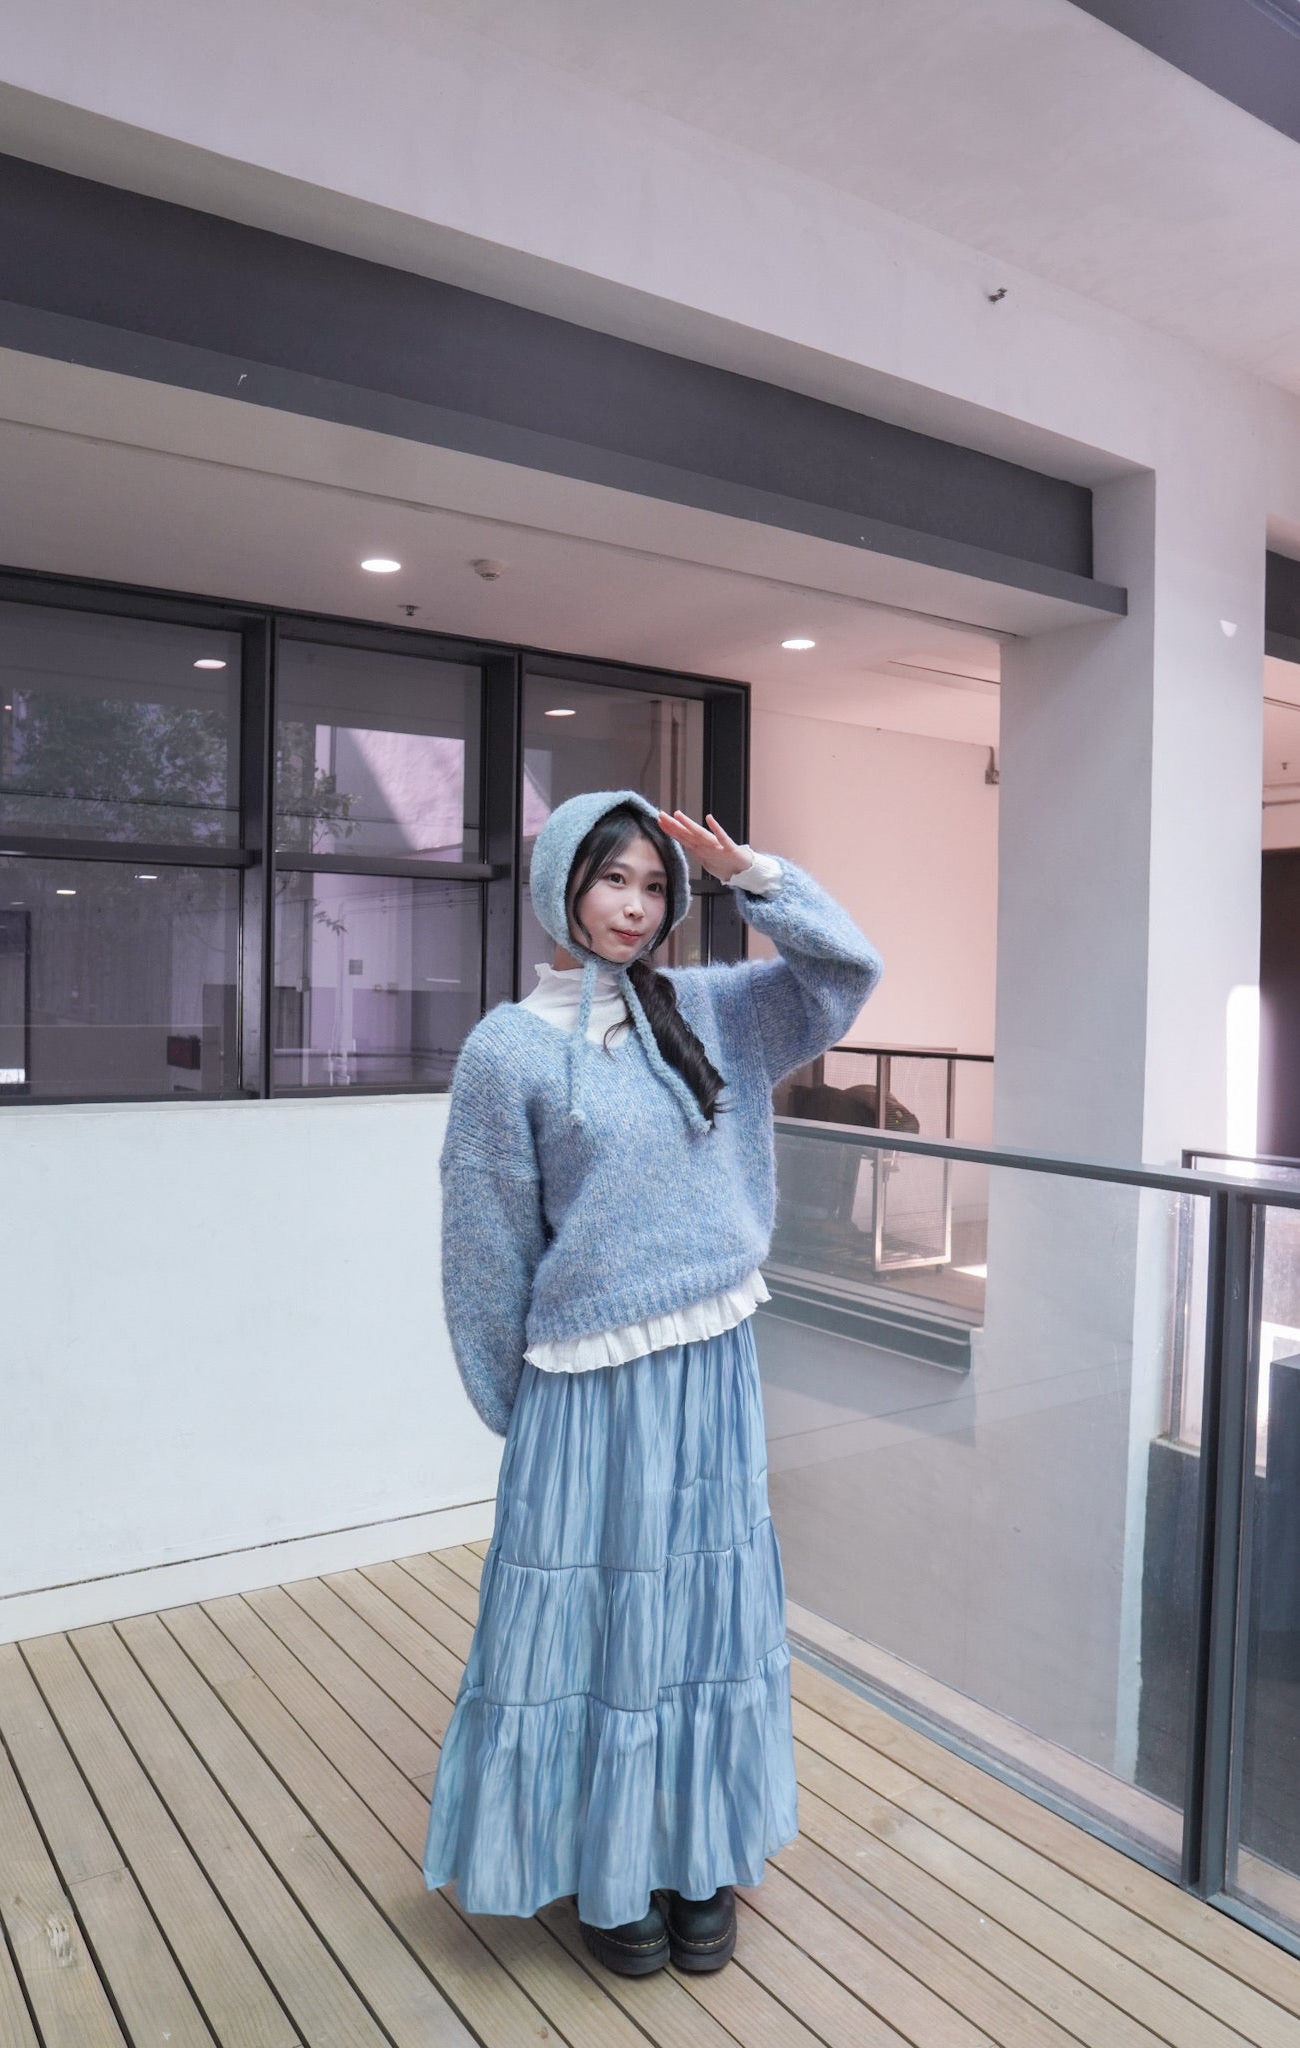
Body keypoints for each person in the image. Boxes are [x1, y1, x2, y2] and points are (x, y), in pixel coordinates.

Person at [422, 788, 882, 1975]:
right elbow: (484, 1247)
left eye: (652, 884)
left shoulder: (714, 1008)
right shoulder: (507, 1049)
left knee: (698, 1611)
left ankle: (691, 1847)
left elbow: (846, 973)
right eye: (611, 878)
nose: (633, 905)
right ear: (562, 886)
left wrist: (756, 877)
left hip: (711, 1362)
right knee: (595, 1619)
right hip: (588, 1385)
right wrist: (519, 1408)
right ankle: (606, 1864)